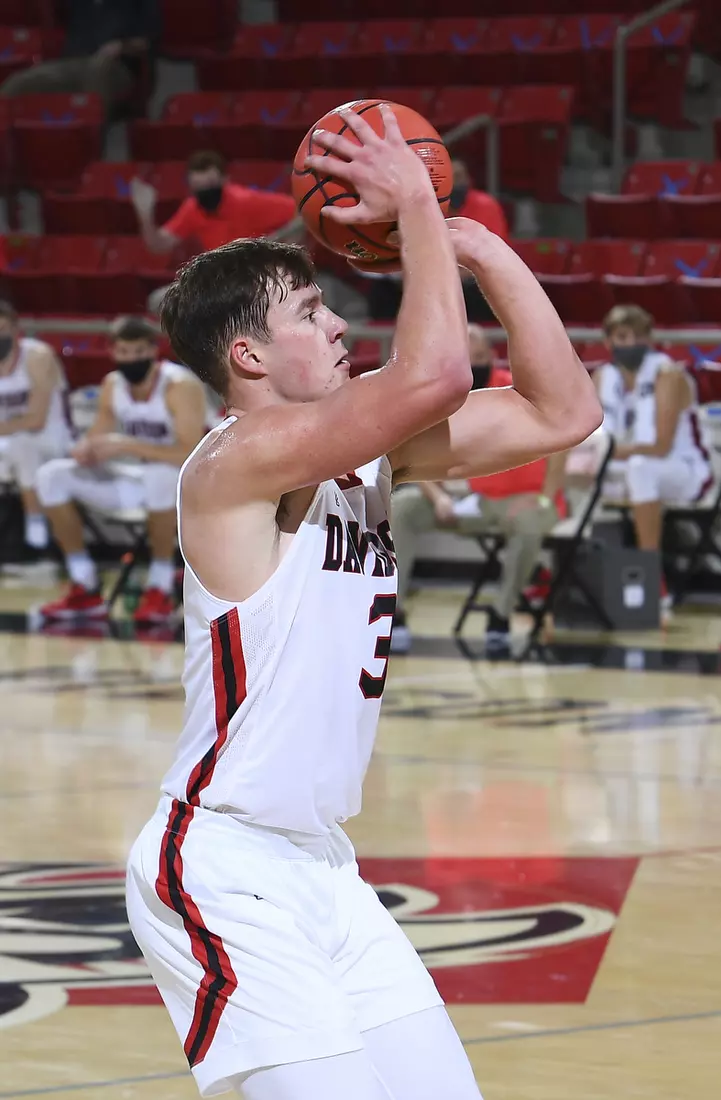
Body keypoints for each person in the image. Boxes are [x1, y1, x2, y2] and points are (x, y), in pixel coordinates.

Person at [125, 105, 601, 1100]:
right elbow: (434, 373)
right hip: (223, 861)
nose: (339, 320)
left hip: (323, 866)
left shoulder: (366, 452)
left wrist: (477, 246)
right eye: (308, 309)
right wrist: (423, 209)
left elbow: (565, 410)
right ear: (248, 357)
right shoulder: (238, 459)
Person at [390, 326, 567, 653]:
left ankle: (501, 615)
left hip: (531, 500)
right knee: (405, 506)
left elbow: (560, 445)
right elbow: (407, 455)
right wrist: (439, 497)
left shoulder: (516, 390)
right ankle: (393, 612)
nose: (476, 364)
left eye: (482, 357)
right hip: (479, 502)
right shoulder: (441, 398)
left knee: (529, 524)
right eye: (467, 359)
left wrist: (543, 497)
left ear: (493, 357)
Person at [36, 315, 207, 624]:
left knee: (160, 474)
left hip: (198, 486)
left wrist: (125, 445)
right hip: (147, 482)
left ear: (154, 351)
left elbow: (189, 455)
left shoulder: (179, 386)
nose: (132, 359)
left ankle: (161, 584)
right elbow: (99, 436)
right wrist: (86, 450)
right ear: (113, 353)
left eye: (139, 351)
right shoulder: (112, 384)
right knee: (51, 475)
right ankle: (84, 583)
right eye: (125, 352)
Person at [596, 304, 713, 613]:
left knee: (640, 467)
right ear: (608, 342)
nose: (631, 344)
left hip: (684, 471)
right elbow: (593, 438)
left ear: (650, 340)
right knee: (566, 468)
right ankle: (560, 579)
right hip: (625, 468)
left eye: (638, 337)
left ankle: (651, 577)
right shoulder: (602, 377)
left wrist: (606, 451)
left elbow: (660, 446)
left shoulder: (668, 375)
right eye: (622, 336)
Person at [367, 155, 509, 322]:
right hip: (425, 274)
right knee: (383, 289)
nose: (456, 183)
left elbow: (492, 256)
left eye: (460, 177)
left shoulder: (486, 205)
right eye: (451, 177)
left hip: (467, 277)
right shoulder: (419, 203)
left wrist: (442, 278)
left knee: (477, 291)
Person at [0, 0, 159, 120]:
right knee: (19, 82)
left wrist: (120, 46)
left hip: (117, 66)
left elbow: (147, 41)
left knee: (98, 68)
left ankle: (89, 142)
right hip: (73, 63)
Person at [0, 301, 73, 551]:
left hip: (53, 437)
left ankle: (35, 522)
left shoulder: (37, 357)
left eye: (2, 329)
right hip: (7, 438)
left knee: (24, 445)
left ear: (15, 329)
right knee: (18, 445)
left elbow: (35, 420)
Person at [131, 150, 298, 257]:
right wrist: (145, 215)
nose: (205, 193)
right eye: (198, 188)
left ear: (225, 180)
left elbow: (301, 212)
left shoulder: (246, 201)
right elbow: (159, 245)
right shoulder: (193, 207)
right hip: (222, 277)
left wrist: (278, 243)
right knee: (158, 300)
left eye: (210, 185)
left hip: (258, 274)